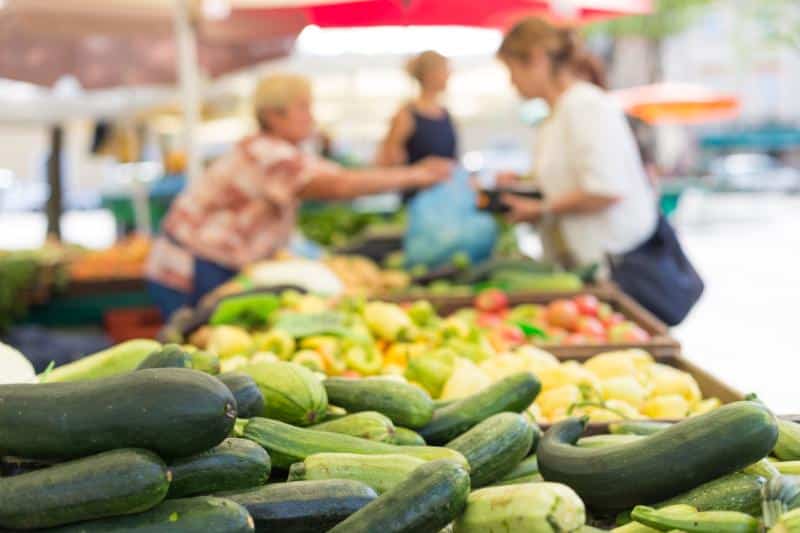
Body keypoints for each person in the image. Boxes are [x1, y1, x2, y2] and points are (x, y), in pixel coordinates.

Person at [146, 74, 452, 318]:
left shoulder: (283, 152)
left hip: (216, 263)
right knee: (199, 349)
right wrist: (416, 175)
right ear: (273, 115)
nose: (311, 116)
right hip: (191, 268)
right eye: (303, 107)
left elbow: (339, 175)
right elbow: (338, 185)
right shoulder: (266, 153)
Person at [494, 17, 658, 270]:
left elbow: (605, 189)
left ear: (537, 58)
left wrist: (541, 208)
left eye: (512, 70)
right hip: (583, 264)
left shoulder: (584, 106)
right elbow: (568, 179)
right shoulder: (557, 114)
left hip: (618, 266)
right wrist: (523, 183)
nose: (512, 82)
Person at [376, 50, 458, 202]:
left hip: (446, 198)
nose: (450, 74)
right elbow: (384, 161)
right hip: (416, 201)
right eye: (445, 69)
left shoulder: (445, 114)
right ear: (430, 75)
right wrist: (416, 170)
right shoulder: (406, 115)